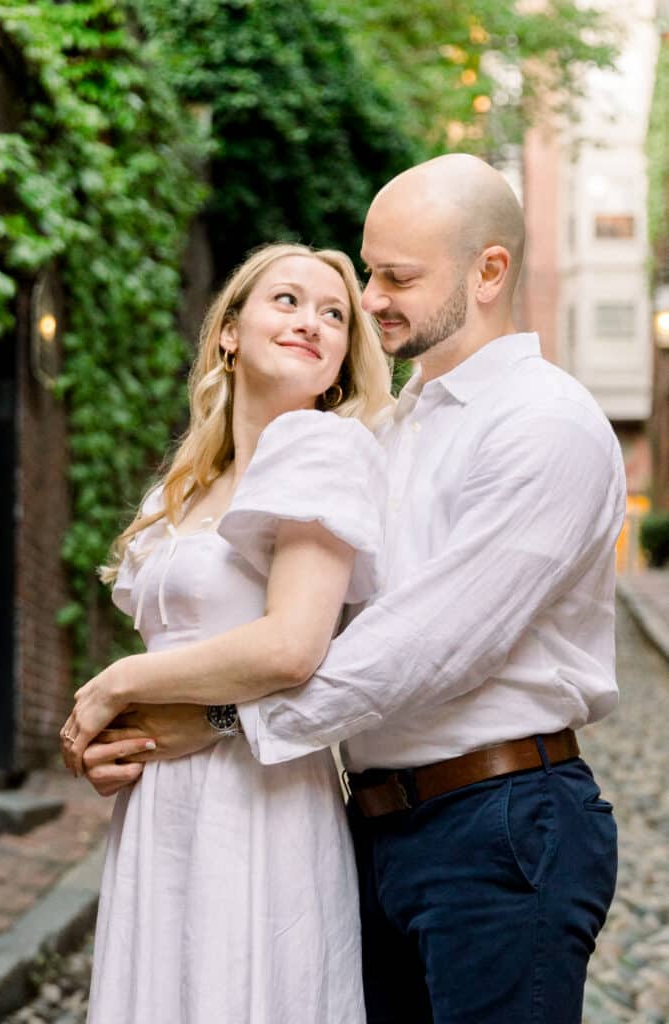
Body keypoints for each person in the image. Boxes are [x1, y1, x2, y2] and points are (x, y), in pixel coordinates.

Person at [73, 155, 626, 1024]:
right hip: (371, 823)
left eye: (395, 276)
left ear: (489, 271)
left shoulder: (543, 423)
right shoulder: (386, 429)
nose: (368, 298)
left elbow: (425, 646)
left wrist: (217, 722)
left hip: (502, 820)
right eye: (369, 272)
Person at [60, 241, 394, 1023]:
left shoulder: (323, 447)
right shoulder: (185, 486)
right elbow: (180, 650)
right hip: (156, 804)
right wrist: (120, 744)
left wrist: (117, 685)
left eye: (334, 314)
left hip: (259, 799)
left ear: (344, 359)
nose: (312, 321)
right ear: (228, 333)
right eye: (286, 300)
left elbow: (290, 647)